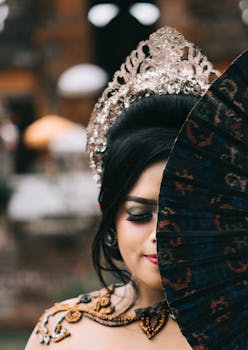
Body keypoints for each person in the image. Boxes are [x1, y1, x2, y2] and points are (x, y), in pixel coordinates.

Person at [25, 26, 219, 349]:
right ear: (111, 213)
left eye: (183, 212)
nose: (162, 233)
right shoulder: (61, 334)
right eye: (140, 214)